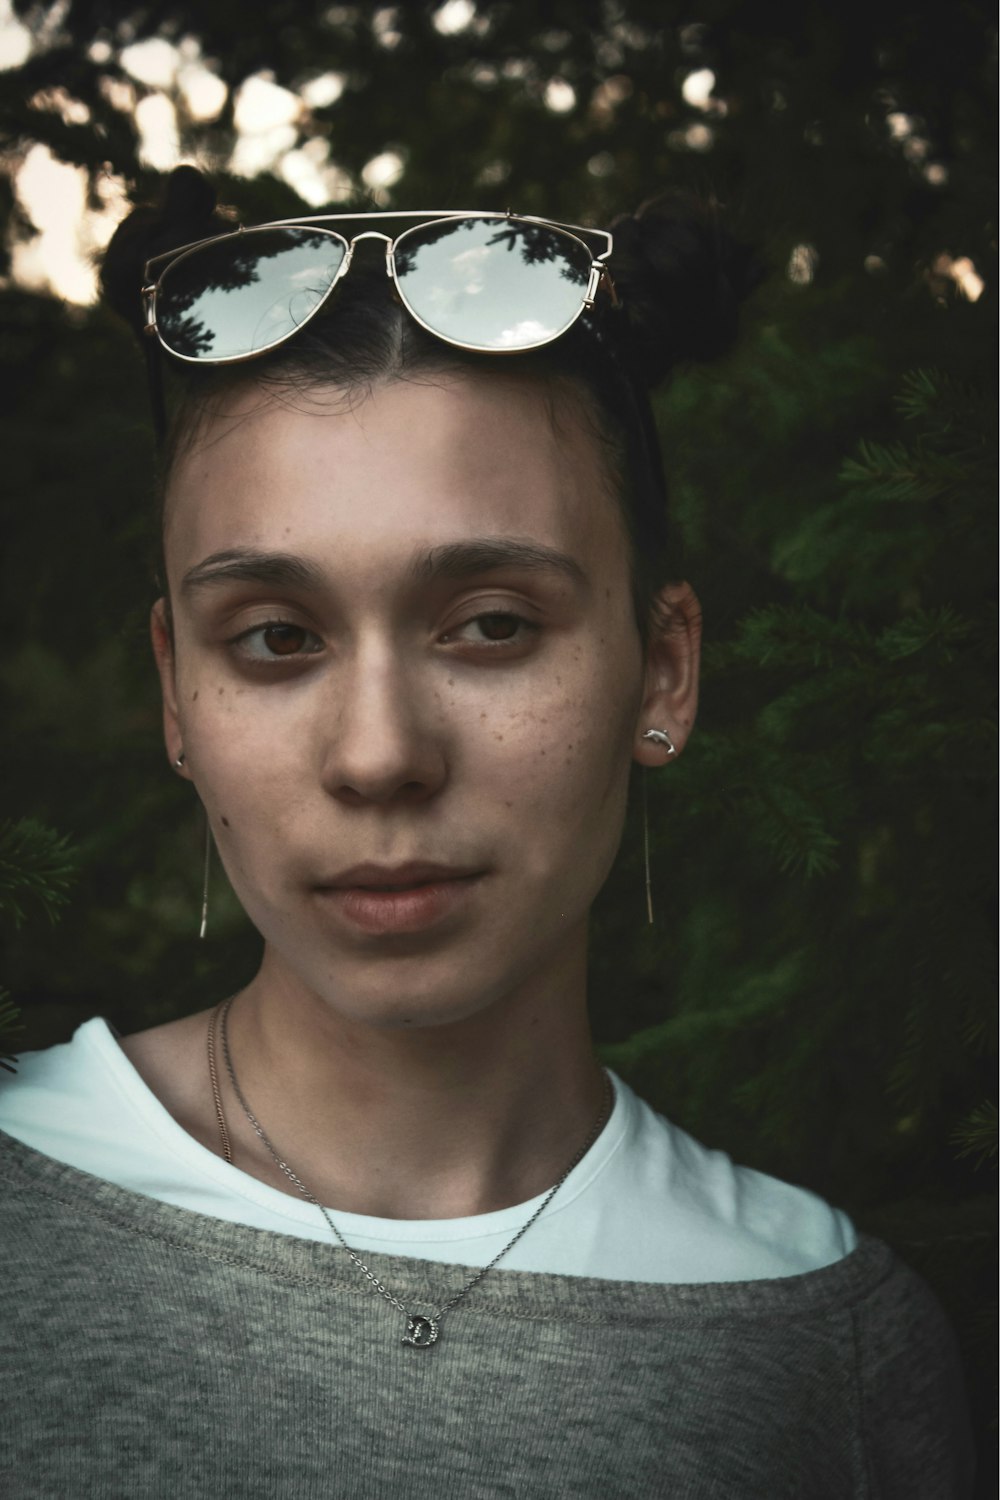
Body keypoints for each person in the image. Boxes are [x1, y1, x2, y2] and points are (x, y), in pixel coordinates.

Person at [0, 167, 975, 1497]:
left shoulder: (834, 1347)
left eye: (492, 626)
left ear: (664, 671)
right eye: (277, 640)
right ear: (178, 691)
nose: (382, 754)